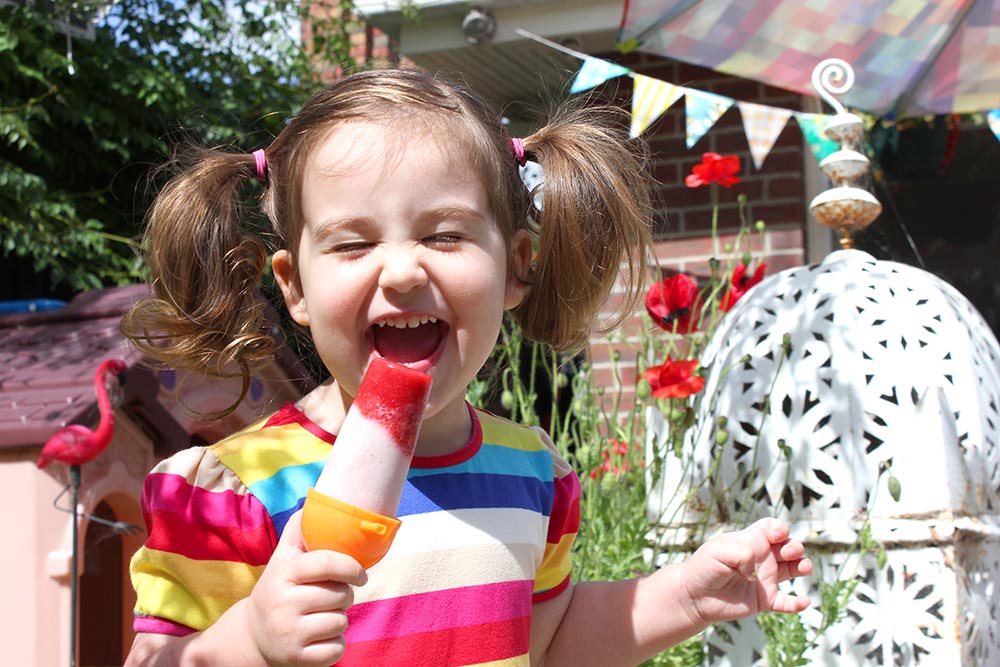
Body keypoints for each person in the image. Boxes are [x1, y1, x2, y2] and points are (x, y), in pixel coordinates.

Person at [121, 67, 812, 667]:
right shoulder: (237, 490)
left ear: (517, 265)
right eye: (352, 243)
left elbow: (551, 643)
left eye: (444, 234)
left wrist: (685, 595)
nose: (401, 269)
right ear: (293, 287)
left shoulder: (534, 476)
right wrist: (247, 640)